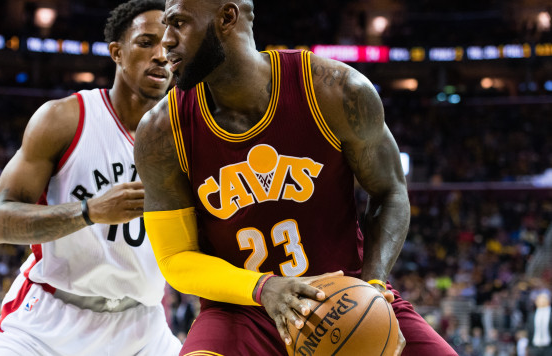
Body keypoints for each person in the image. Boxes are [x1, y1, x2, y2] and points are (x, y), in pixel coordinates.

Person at [134, 0, 458, 355]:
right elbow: (175, 258)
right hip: (242, 312)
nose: (166, 40)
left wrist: (374, 284)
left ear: (227, 17)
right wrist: (264, 288)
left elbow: (390, 191)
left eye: (178, 23)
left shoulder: (335, 90)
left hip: (345, 295)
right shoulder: (162, 131)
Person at [0, 1, 181, 355]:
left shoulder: (185, 136)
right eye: (146, 42)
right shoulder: (64, 119)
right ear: (117, 52)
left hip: (143, 330)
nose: (160, 55)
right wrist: (89, 212)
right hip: (49, 323)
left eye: (169, 47)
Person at [528, 291, 552, 356]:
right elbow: (529, 332)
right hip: (535, 348)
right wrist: (529, 347)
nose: (541, 302)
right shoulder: (532, 315)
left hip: (549, 348)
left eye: (543, 299)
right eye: (539, 300)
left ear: (548, 301)